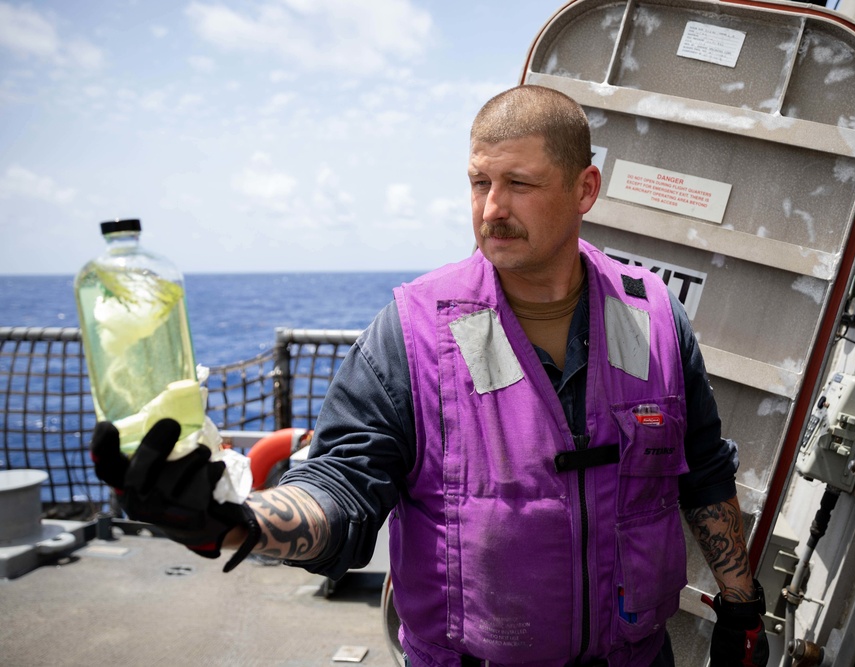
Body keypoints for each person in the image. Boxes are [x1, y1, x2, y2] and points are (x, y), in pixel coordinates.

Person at [91, 85, 769, 667]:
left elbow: (703, 472)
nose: (491, 208)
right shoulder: (415, 330)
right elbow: (340, 485)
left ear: (584, 189)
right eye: (480, 182)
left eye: (520, 185)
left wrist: (741, 608)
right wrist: (235, 519)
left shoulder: (655, 320)